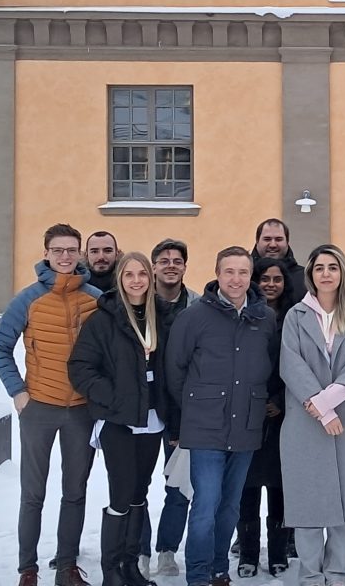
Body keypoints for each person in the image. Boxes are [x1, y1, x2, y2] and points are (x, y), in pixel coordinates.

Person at [0, 223, 102, 586]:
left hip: (82, 411)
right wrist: (18, 393)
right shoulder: (27, 299)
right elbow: (0, 348)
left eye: (72, 250)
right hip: (39, 406)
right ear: (46, 254)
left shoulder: (95, 299)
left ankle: (67, 566)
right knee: (33, 492)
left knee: (75, 491)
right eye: (58, 250)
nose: (65, 257)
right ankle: (28, 569)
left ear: (80, 253)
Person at [166, 246, 278, 586]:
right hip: (205, 427)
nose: (236, 279)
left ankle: (218, 569)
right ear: (217, 274)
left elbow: (271, 366)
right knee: (205, 505)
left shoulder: (265, 318)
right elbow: (175, 370)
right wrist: (196, 407)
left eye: (243, 272)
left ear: (250, 276)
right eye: (229, 271)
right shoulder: (195, 316)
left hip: (245, 425)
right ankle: (198, 574)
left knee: (229, 506)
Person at [68, 252, 175, 586]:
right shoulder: (104, 320)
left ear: (150, 277)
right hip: (118, 420)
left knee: (140, 491)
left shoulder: (163, 316)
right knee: (120, 491)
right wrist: (114, 398)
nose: (136, 281)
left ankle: (131, 566)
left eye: (142, 274)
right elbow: (81, 368)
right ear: (119, 279)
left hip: (152, 418)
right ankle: (112, 570)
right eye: (129, 275)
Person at [279, 245, 345, 586]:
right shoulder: (295, 316)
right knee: (307, 500)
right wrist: (321, 409)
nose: (325, 273)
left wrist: (330, 402)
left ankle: (337, 571)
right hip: (304, 418)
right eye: (319, 267)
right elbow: (290, 364)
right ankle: (309, 572)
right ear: (311, 274)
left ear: (342, 273)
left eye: (332, 267)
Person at [235, 257, 296, 578]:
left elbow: (300, 367)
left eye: (277, 279)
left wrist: (280, 400)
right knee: (245, 488)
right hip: (245, 413)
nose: (271, 284)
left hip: (282, 417)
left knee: (279, 489)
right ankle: (247, 552)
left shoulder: (297, 317)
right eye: (265, 278)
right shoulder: (242, 316)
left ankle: (278, 552)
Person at [146, 238, 200, 578]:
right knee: (134, 490)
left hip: (182, 412)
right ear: (153, 266)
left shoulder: (196, 307)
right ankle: (137, 552)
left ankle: (167, 550)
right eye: (163, 260)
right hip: (143, 410)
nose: (170, 265)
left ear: (184, 266)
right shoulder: (138, 302)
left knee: (179, 487)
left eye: (176, 260)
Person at [252, 218, 306, 299]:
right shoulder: (245, 275)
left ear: (287, 242)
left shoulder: (305, 278)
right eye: (267, 239)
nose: (273, 245)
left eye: (278, 239)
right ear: (257, 241)